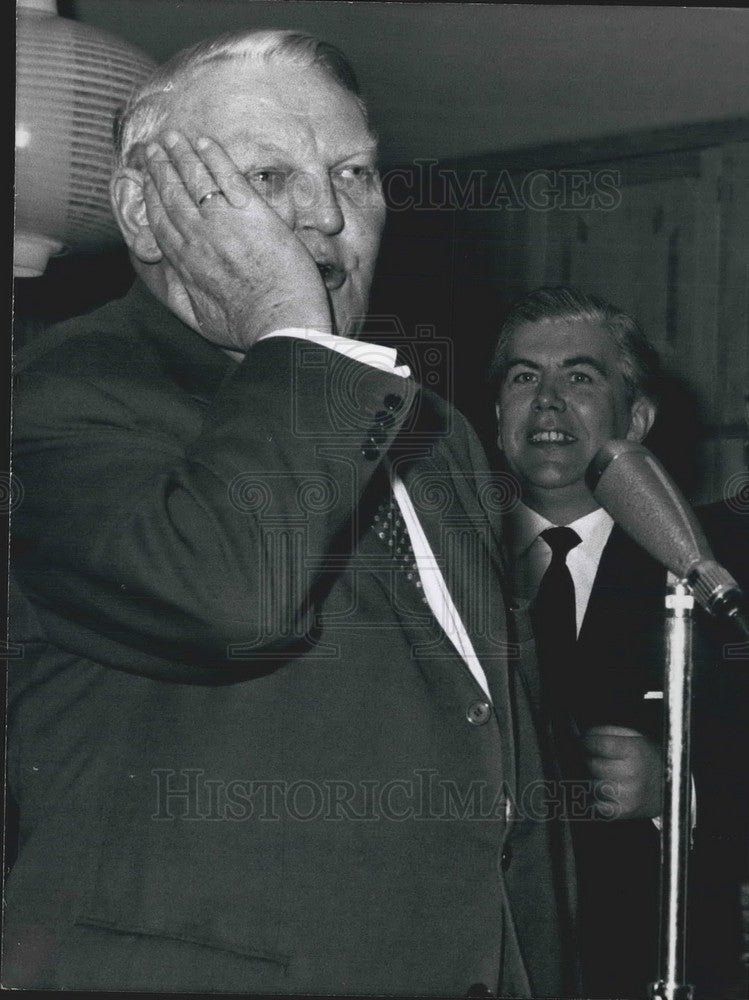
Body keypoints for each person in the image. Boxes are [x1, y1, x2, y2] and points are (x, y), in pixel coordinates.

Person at [6, 30, 577, 996]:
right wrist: (291, 330)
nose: (322, 219)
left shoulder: (434, 435)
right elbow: (229, 598)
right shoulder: (59, 396)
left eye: (352, 173)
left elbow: (496, 750)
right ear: (145, 214)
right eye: (267, 175)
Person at [490, 285, 749, 998]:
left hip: (650, 963)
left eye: (579, 377)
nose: (546, 402)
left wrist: (676, 791)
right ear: (496, 416)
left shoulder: (716, 563)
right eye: (521, 378)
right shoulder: (439, 564)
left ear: (634, 417)